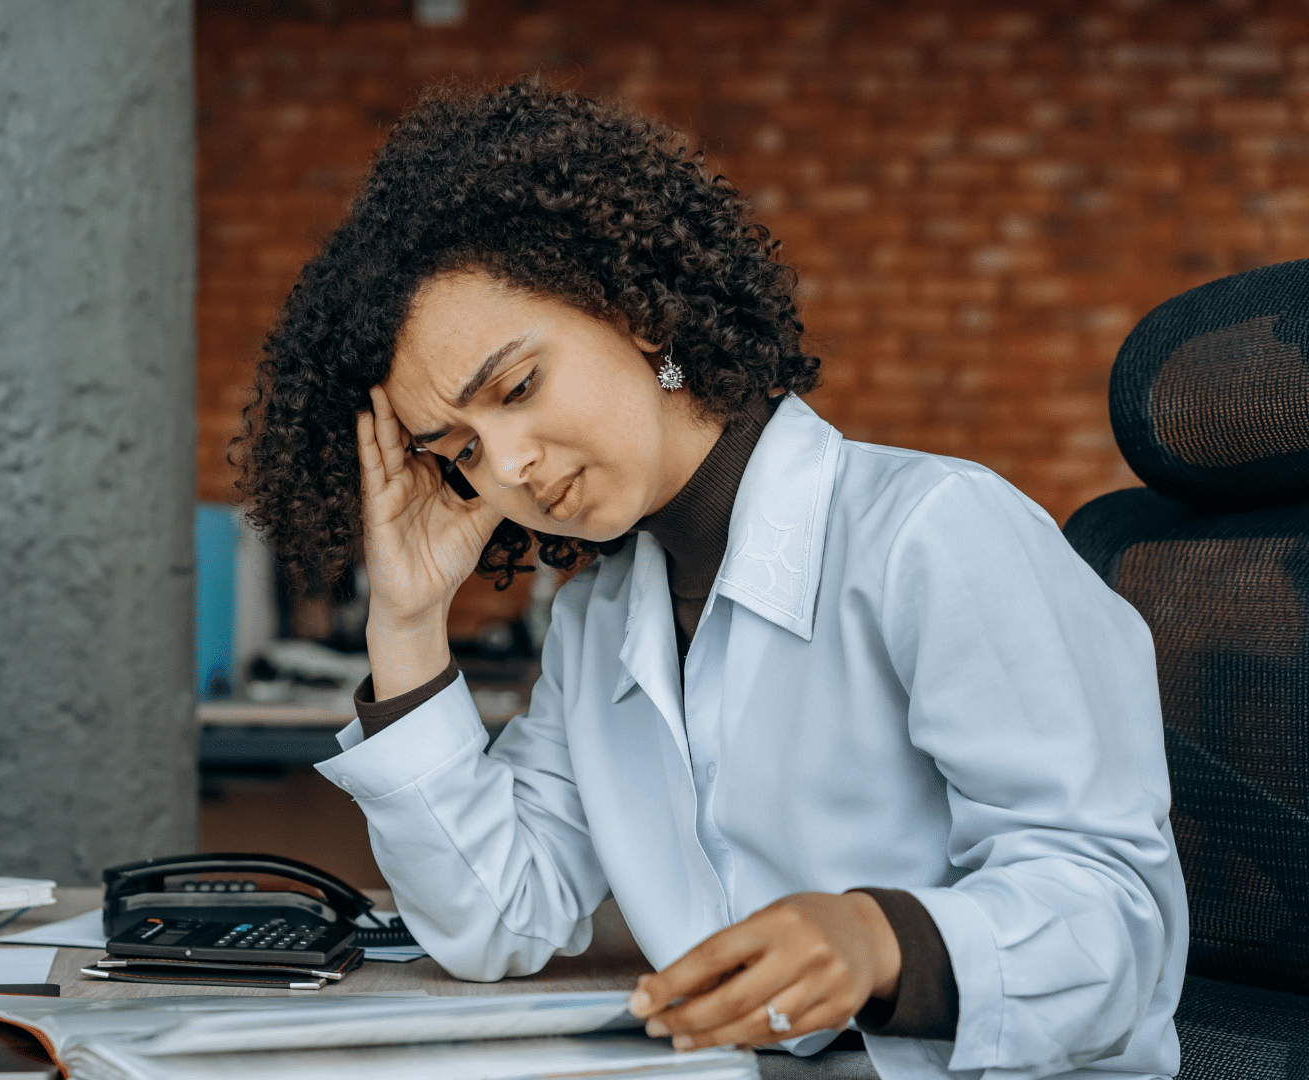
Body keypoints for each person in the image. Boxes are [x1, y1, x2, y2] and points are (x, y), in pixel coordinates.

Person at [234, 79, 1185, 1080]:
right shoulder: (599, 621)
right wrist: (408, 620)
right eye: (457, 447)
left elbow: (1118, 922)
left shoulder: (932, 535)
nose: (507, 464)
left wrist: (883, 940)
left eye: (518, 388)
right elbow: (493, 919)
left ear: (638, 310)